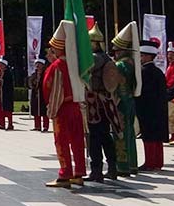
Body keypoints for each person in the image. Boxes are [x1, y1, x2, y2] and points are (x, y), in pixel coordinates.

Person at [44, 22, 86, 188]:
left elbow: (52, 89)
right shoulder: (76, 65)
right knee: (77, 140)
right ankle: (79, 172)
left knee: (61, 141)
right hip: (76, 106)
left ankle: (65, 174)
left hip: (62, 108)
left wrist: (52, 110)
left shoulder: (57, 66)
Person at [85, 27, 120, 182]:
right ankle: (112, 167)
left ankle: (97, 170)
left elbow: (86, 67)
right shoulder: (106, 57)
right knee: (105, 136)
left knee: (96, 138)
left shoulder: (96, 58)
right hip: (104, 102)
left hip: (96, 103)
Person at [111, 23, 142, 176]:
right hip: (129, 100)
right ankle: (132, 164)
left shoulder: (119, 65)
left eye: (116, 50)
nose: (115, 53)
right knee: (129, 133)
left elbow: (113, 85)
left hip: (120, 103)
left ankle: (122, 166)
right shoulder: (132, 63)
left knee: (120, 134)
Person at [136, 40, 169, 171]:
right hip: (158, 108)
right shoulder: (158, 71)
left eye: (142, 55)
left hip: (147, 108)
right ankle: (158, 162)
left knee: (149, 136)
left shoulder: (144, 71)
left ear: (149, 56)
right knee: (157, 137)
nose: (140, 58)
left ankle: (150, 162)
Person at [0, 58, 15, 130]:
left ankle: (10, 124)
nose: (0, 66)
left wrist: (2, 81)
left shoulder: (8, 73)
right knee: (0, 110)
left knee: (8, 110)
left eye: (2, 65)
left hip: (6, 94)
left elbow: (10, 84)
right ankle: (1, 124)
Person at [29, 58, 49, 132]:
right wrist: (33, 83)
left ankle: (45, 126)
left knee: (44, 111)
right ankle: (37, 126)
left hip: (43, 94)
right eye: (36, 64)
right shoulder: (34, 74)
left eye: (39, 64)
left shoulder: (45, 74)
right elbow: (29, 83)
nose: (37, 66)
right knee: (36, 110)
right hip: (35, 94)